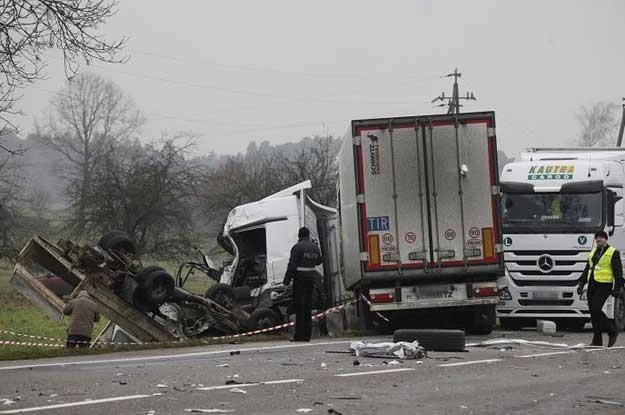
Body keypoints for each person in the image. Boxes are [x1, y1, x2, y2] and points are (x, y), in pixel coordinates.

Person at [577, 231, 624, 347]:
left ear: (606, 239)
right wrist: (581, 284)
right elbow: (587, 268)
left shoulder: (613, 252)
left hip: (604, 284)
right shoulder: (593, 251)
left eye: (601, 238)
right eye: (597, 238)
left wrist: (617, 288)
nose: (598, 240)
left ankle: (611, 331)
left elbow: (618, 273)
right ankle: (597, 340)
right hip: (592, 284)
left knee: (596, 308)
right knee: (593, 313)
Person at [283, 227, 323, 342]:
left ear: (299, 236)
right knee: (308, 307)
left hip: (299, 280)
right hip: (311, 279)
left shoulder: (297, 248)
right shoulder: (314, 247)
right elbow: (319, 261)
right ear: (308, 235)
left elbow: (292, 265)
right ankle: (307, 335)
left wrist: (286, 280)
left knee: (299, 307)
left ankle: (299, 335)